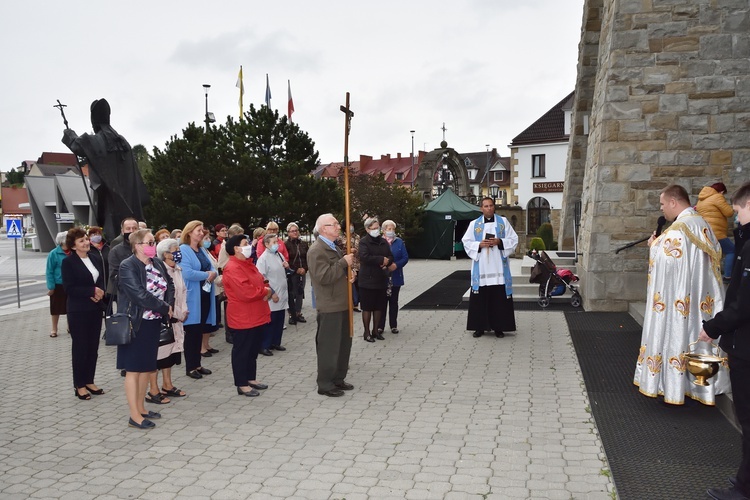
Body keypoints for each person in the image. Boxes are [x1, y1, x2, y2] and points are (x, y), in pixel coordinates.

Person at [633, 184, 729, 405]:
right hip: (698, 298)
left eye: (663, 203)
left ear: (674, 202)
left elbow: (668, 263)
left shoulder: (678, 230)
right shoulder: (701, 223)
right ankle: (699, 384)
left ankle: (675, 385)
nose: (662, 208)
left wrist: (654, 246)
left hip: (681, 300)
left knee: (679, 336)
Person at [700, 182, 750, 500]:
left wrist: (713, 327)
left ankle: (746, 489)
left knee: (748, 418)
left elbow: (743, 305)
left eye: (740, 210)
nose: (736, 217)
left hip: (746, 348)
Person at [61, 98, 149, 241]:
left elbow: (78, 146)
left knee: (112, 228)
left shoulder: (96, 140)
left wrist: (69, 133)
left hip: (110, 196)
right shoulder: (123, 141)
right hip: (129, 197)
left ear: (93, 119)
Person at [116, 229, 174, 429]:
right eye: (150, 242)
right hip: (136, 323)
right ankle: (134, 416)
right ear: (138, 245)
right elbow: (138, 295)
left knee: (145, 368)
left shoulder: (156, 262)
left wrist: (169, 303)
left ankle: (141, 408)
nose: (153, 246)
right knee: (134, 370)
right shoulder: (128, 266)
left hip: (153, 323)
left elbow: (169, 283)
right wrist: (165, 307)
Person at [307, 213, 355, 397]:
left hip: (342, 303)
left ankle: (338, 378)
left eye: (336, 223)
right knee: (330, 346)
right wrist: (343, 263)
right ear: (323, 229)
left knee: (343, 344)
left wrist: (348, 275)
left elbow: (336, 272)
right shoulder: (316, 250)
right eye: (333, 224)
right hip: (330, 305)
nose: (338, 227)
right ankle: (325, 383)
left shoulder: (333, 247)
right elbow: (323, 277)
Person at [461, 197, 519, 339]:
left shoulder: (503, 223)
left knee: (498, 299)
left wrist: (500, 242)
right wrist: (479, 245)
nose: (489, 208)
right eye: (486, 206)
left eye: (491, 205)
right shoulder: (474, 224)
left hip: (498, 267)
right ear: (481, 208)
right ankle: (479, 327)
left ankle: (499, 328)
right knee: (480, 299)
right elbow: (466, 241)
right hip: (482, 268)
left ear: (494, 207)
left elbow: (514, 239)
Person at [223, 234, 273, 397]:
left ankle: (251, 378)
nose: (249, 246)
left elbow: (260, 281)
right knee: (242, 351)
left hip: (256, 313)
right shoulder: (232, 267)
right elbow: (246, 292)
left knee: (252, 349)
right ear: (236, 248)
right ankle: (241, 383)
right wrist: (265, 291)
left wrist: (265, 288)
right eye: (245, 244)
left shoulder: (247, 264)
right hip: (243, 316)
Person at [61, 227, 106, 400]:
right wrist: (91, 291)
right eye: (81, 241)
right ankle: (79, 385)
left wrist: (99, 292)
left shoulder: (94, 258)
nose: (86, 242)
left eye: (86, 239)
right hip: (78, 310)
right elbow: (69, 288)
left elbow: (100, 279)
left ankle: (89, 380)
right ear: (73, 246)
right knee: (81, 348)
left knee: (93, 347)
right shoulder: (69, 262)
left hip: (94, 309)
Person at [145, 238, 189, 404]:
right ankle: (153, 390)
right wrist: (171, 312)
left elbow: (182, 292)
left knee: (170, 353)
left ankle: (167, 385)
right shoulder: (160, 270)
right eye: (175, 250)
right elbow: (163, 294)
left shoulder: (177, 269)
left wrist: (183, 310)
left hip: (178, 316)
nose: (178, 253)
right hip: (165, 316)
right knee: (158, 354)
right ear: (165, 254)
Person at [179, 221, 217, 379]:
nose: (202, 233)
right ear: (189, 232)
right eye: (198, 230)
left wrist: (212, 273)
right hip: (192, 296)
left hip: (205, 295)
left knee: (200, 330)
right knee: (192, 333)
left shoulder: (202, 249)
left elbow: (212, 266)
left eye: (203, 230)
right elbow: (187, 273)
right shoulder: (183, 249)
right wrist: (207, 275)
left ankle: (198, 364)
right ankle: (190, 367)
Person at [358, 217, 395, 342]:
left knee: (379, 306)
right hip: (367, 279)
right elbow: (364, 257)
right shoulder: (364, 242)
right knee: (367, 307)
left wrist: (387, 261)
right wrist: (380, 259)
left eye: (377, 228)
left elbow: (390, 255)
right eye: (373, 228)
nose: (376, 230)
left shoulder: (383, 241)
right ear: (367, 229)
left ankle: (376, 330)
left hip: (381, 278)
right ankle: (367, 332)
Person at [256, 233, 289, 355]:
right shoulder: (263, 259)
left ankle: (276, 342)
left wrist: (286, 266)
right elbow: (262, 278)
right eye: (274, 242)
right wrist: (272, 292)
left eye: (277, 242)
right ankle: (265, 345)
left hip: (282, 293)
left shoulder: (279, 254)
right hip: (272, 294)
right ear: (266, 244)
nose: (277, 244)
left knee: (280, 319)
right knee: (270, 321)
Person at [697, 182, 736, 282]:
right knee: (731, 251)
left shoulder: (701, 199)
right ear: (722, 191)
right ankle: (728, 276)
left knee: (712, 255)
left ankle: (710, 278)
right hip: (716, 233)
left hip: (706, 232)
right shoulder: (717, 197)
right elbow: (729, 212)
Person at [377, 220, 409, 334]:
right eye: (388, 229)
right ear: (384, 230)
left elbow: (405, 257)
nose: (391, 231)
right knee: (382, 301)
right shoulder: (379, 241)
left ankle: (393, 325)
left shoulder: (399, 242)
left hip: (395, 275)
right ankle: (380, 326)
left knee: (394, 301)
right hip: (382, 276)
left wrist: (396, 265)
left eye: (393, 229)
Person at [200, 228, 223, 355]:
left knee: (210, 318)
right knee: (204, 319)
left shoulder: (207, 251)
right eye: (206, 238)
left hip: (213, 287)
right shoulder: (200, 252)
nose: (209, 241)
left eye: (209, 238)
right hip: (207, 287)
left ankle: (206, 344)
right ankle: (201, 347)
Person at [108, 217, 139, 301]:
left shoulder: (146, 248)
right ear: (122, 231)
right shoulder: (116, 251)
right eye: (128, 229)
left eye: (134, 228)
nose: (131, 231)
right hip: (126, 297)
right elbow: (114, 277)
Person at [46, 231, 69, 338]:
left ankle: (70, 326)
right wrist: (51, 287)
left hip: (70, 284)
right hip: (58, 284)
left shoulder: (73, 252)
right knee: (55, 308)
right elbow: (49, 271)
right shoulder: (54, 253)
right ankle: (54, 329)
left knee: (70, 307)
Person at [285, 222, 309, 325]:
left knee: (300, 292)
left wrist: (305, 268)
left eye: (296, 230)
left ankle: (298, 313)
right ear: (288, 233)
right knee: (292, 293)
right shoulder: (286, 245)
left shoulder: (303, 244)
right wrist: (295, 269)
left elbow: (308, 257)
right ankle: (291, 314)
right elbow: (286, 259)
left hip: (302, 271)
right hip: (292, 272)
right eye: (292, 231)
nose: (295, 233)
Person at [86, 226, 110, 292]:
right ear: (89, 236)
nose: (96, 236)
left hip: (108, 283)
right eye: (93, 234)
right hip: (95, 286)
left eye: (98, 234)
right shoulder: (87, 249)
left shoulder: (108, 247)